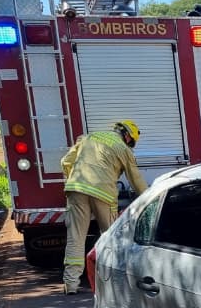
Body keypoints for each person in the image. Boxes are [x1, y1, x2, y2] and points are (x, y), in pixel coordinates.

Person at [59, 120, 148, 294]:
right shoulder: (123, 150)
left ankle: (71, 284)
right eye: (131, 142)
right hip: (104, 194)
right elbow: (136, 180)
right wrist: (148, 198)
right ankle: (113, 283)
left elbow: (65, 162)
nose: (130, 145)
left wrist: (76, 179)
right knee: (110, 238)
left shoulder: (88, 138)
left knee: (75, 238)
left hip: (76, 189)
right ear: (127, 136)